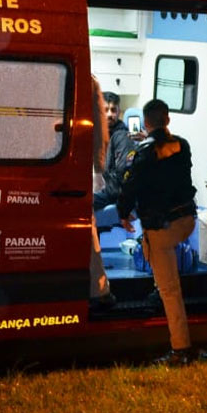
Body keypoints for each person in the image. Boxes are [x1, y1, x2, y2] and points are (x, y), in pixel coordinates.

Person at [116, 99, 198, 365]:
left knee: (170, 291)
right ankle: (157, 288)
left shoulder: (144, 152)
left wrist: (123, 212)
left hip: (161, 227)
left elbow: (131, 187)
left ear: (146, 123)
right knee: (167, 271)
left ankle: (180, 349)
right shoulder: (182, 145)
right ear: (168, 120)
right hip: (186, 221)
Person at [88, 77, 115, 309]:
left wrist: (98, 168)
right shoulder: (89, 80)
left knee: (87, 232)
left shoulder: (89, 81)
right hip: (75, 169)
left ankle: (98, 289)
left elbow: (98, 125)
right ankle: (98, 289)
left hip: (75, 170)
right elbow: (99, 127)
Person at [93, 90, 137, 212]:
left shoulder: (122, 136)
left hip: (111, 191)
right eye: (105, 109)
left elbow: (123, 173)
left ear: (119, 111)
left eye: (113, 110)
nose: (109, 114)